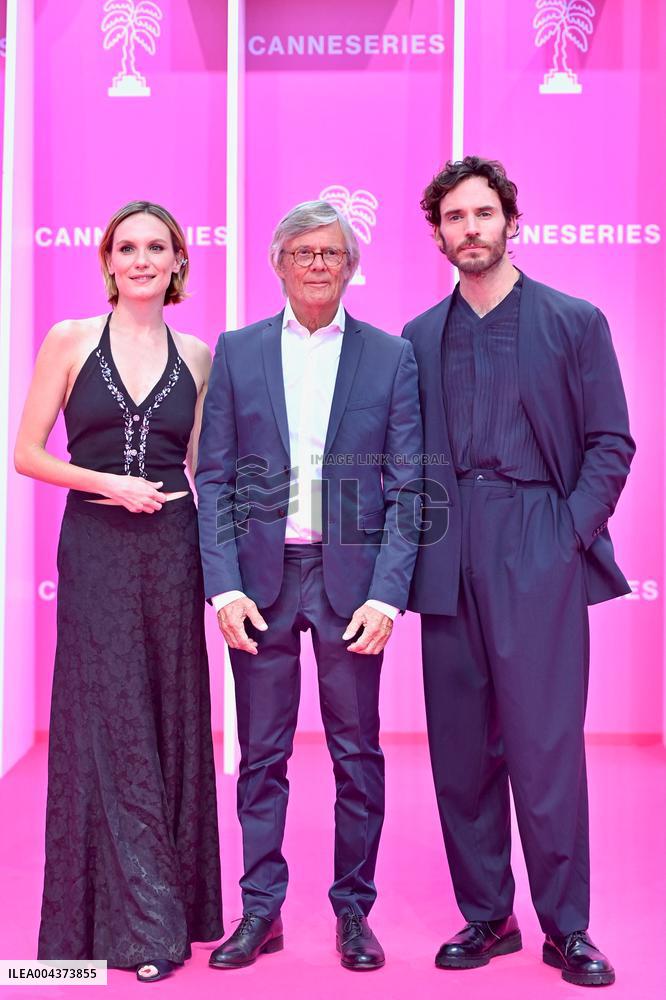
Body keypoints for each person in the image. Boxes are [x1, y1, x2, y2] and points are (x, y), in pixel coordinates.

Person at [402, 157, 634, 988]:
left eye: (483, 214)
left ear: (510, 222)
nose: (470, 229)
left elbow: (612, 442)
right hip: (445, 546)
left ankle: (566, 928)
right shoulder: (418, 337)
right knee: (462, 751)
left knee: (543, 748)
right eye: (455, 218)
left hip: (537, 536)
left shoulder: (574, 321)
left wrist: (566, 535)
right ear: (438, 234)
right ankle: (486, 916)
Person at [196, 200, 422, 972]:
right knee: (261, 757)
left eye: (332, 253)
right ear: (279, 263)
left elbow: (407, 484)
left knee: (358, 754)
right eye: (304, 252)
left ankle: (353, 912)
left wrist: (388, 594)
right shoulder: (239, 351)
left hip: (352, 587)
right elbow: (216, 476)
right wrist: (223, 588)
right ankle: (261, 910)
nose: (319, 264)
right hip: (258, 586)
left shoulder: (391, 358)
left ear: (351, 265)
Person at [15, 201, 223, 983]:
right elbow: (27, 454)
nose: (141, 259)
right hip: (97, 547)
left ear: (177, 263)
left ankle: (174, 904)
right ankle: (144, 926)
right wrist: (104, 481)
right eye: (127, 247)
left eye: (157, 247)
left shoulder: (198, 356)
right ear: (107, 260)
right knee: (111, 722)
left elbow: (206, 466)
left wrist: (237, 566)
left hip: (173, 554)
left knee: (169, 717)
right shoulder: (68, 340)